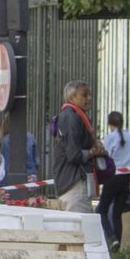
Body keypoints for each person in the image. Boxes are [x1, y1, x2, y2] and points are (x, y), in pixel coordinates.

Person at [51, 81, 101, 214]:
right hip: (75, 185)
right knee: (82, 232)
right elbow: (74, 154)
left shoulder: (71, 116)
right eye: (84, 95)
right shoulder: (72, 117)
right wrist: (93, 152)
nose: (89, 98)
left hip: (71, 184)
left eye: (89, 95)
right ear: (72, 98)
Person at [99, 111, 130, 247]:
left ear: (109, 125)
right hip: (126, 178)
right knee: (117, 213)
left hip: (112, 177)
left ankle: (111, 237)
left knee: (101, 210)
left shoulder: (110, 138)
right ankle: (117, 244)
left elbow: (105, 156)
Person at [0, 114, 39, 182]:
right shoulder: (31, 136)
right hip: (31, 175)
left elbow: (6, 163)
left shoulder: (6, 140)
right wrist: (34, 172)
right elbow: (36, 160)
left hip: (12, 177)